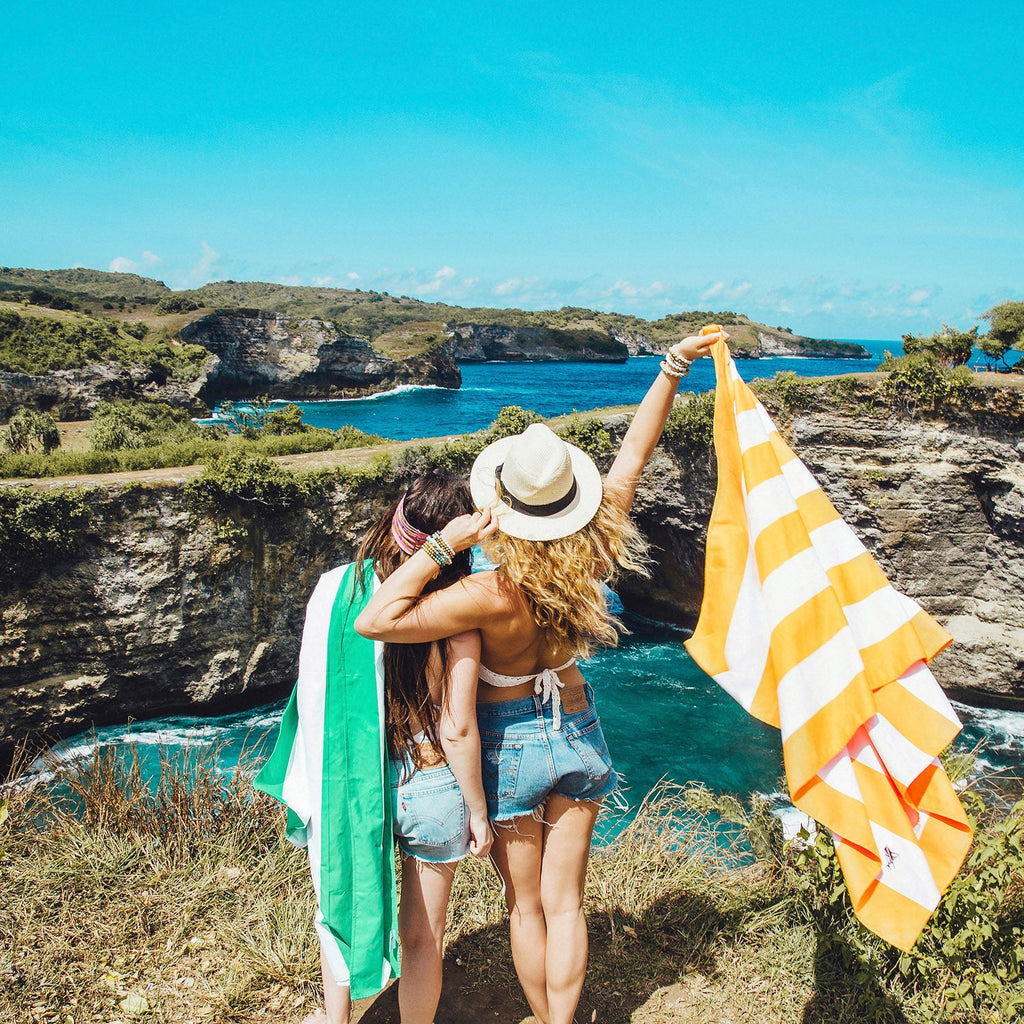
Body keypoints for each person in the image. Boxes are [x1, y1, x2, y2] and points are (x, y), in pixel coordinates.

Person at [355, 327, 724, 1024]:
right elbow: (633, 455)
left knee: (525, 906)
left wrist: (445, 544)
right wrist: (672, 367)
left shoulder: (487, 596)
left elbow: (377, 618)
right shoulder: (592, 550)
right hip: (578, 729)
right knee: (566, 903)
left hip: (510, 748)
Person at [255, 470, 494, 1024]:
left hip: (351, 782)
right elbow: (457, 728)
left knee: (336, 904)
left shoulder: (337, 590)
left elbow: (313, 689)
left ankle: (334, 1018)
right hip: (432, 785)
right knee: (423, 938)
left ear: (394, 520)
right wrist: (478, 812)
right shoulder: (458, 611)